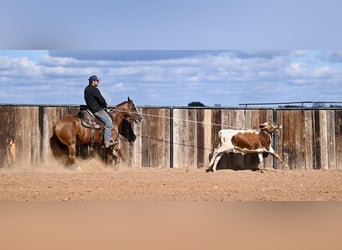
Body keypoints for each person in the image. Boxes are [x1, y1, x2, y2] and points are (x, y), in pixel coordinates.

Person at [84, 75, 115, 148]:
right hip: (97, 110)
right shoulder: (94, 90)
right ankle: (107, 141)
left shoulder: (86, 89)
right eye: (97, 81)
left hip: (90, 109)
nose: (98, 83)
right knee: (109, 123)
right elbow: (101, 99)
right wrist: (105, 105)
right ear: (93, 81)